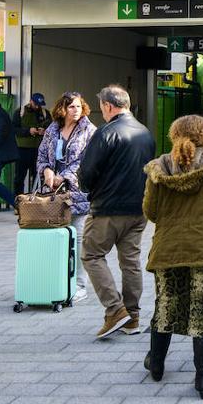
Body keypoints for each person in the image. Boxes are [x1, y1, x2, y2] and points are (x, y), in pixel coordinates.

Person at [141, 115, 203, 398]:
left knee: (166, 305)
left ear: (174, 134)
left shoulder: (159, 167)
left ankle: (156, 364)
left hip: (168, 247)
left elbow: (151, 211)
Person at [76, 85, 156, 339]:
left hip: (108, 208)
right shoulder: (145, 133)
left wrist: (86, 187)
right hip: (138, 209)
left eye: (102, 106)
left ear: (109, 106)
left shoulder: (105, 133)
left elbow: (87, 173)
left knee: (91, 255)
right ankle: (132, 317)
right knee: (130, 262)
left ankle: (115, 310)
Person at [36, 91, 97, 302]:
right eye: (72, 107)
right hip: (52, 192)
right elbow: (42, 154)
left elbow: (88, 161)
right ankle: (57, 280)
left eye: (79, 106)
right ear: (63, 109)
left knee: (78, 237)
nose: (76, 110)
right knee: (55, 237)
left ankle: (80, 285)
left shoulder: (89, 130)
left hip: (77, 191)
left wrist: (64, 177)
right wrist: (46, 171)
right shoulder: (52, 129)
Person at [13, 93, 51, 196]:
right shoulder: (20, 112)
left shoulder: (45, 113)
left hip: (39, 150)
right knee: (19, 178)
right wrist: (28, 131)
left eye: (40, 104)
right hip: (22, 150)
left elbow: (52, 129)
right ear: (31, 101)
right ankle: (18, 202)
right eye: (36, 104)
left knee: (37, 177)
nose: (38, 106)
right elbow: (14, 129)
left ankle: (36, 201)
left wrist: (44, 131)